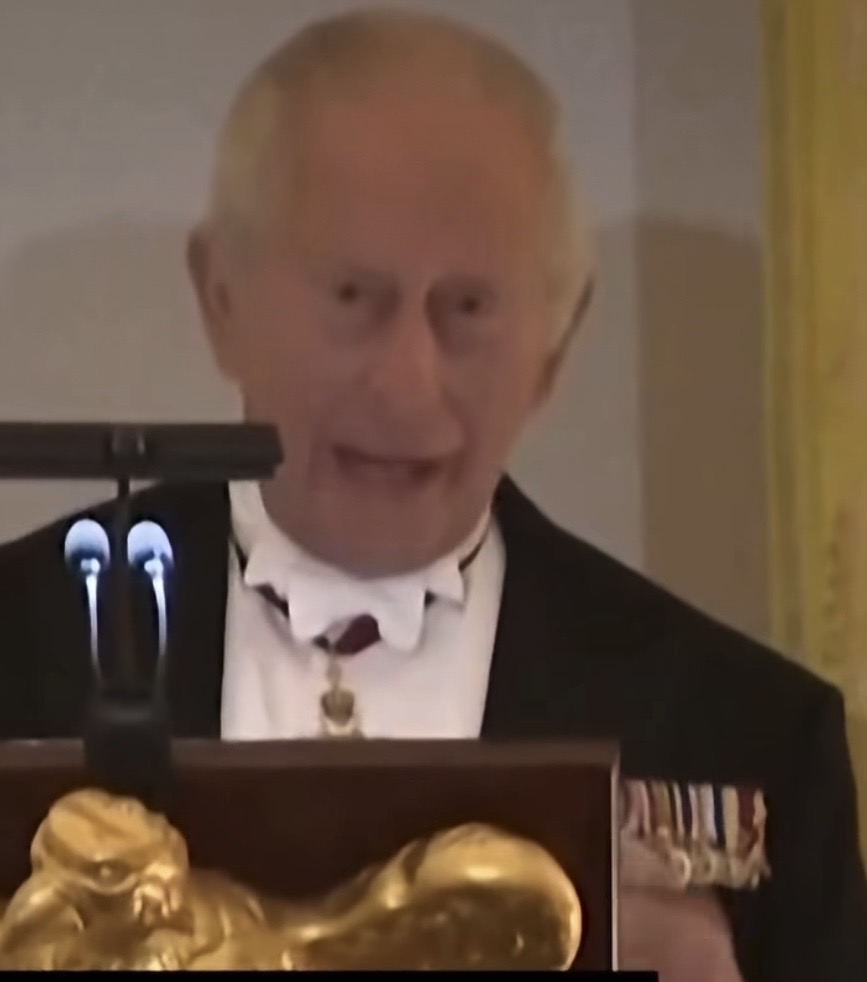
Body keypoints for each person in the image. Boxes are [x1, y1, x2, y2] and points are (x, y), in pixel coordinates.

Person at [0, 7, 864, 980]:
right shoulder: (16, 641)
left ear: (555, 346)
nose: (406, 382)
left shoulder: (749, 734)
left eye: (468, 309)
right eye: (352, 298)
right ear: (220, 296)